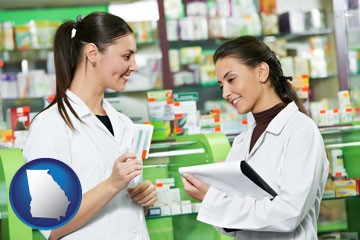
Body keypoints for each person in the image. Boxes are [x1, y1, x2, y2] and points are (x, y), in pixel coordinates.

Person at [23, 12, 156, 240]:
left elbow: (118, 213)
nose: (134, 66)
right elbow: (51, 224)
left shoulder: (123, 123)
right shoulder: (49, 125)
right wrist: (112, 185)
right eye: (127, 56)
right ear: (93, 53)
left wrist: (141, 198)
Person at [182, 36, 329, 240]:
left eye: (231, 79)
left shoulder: (301, 130)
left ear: (261, 72)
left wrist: (213, 199)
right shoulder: (243, 140)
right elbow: (228, 225)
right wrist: (214, 194)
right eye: (221, 85)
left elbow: (288, 214)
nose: (225, 92)